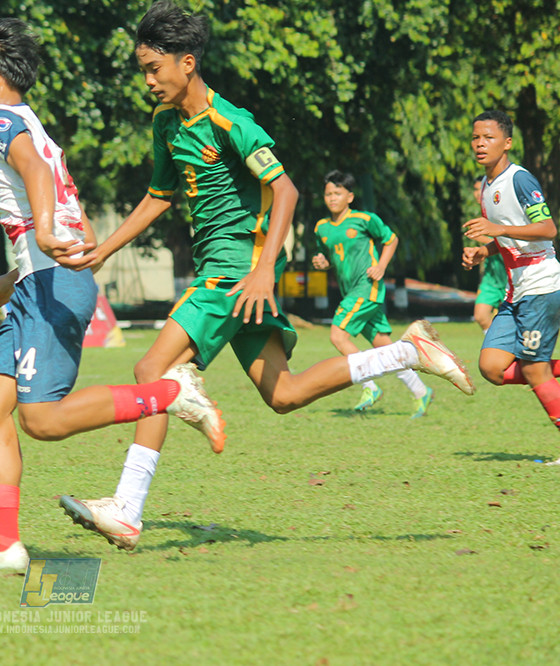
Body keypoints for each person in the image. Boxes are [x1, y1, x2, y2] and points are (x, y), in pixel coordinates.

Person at [58, 0, 475, 551]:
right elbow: (158, 196)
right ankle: (407, 352)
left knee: (151, 370)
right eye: (143, 70)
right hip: (231, 274)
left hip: (235, 272)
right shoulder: (165, 124)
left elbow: (286, 191)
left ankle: (127, 508)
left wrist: (260, 272)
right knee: (284, 394)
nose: (148, 81)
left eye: (154, 68)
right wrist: (104, 252)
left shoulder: (231, 122)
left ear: (187, 63)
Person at [0, 18, 225, 570]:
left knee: (42, 421)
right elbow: (74, 227)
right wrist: (7, 280)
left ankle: (169, 394)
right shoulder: (34, 127)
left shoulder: (0, 121)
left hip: (50, 287)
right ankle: (1, 544)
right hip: (40, 284)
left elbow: (35, 183)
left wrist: (44, 234)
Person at [462, 110, 560, 465]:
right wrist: (484, 251)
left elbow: (548, 229)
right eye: (476, 137)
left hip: (541, 285)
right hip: (515, 292)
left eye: (488, 137)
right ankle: (546, 369)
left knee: (533, 369)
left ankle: (543, 373)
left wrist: (498, 230)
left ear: (507, 143)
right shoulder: (486, 185)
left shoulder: (519, 179)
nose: (480, 144)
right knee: (491, 367)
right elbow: (507, 236)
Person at [311, 170, 433, 418]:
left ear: (350, 197)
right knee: (385, 349)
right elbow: (329, 255)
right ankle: (421, 391)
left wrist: (381, 266)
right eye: (328, 194)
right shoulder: (321, 228)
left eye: (337, 193)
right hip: (350, 291)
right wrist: (323, 263)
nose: (332, 198)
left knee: (338, 336)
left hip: (366, 288)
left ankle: (369, 385)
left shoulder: (364, 219)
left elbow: (391, 239)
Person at [469, 176, 508, 331]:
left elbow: (506, 239)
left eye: (481, 189)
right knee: (481, 316)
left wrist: (484, 240)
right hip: (491, 279)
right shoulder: (479, 214)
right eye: (475, 189)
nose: (478, 193)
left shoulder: (501, 211)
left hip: (509, 276)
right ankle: (495, 343)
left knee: (514, 322)